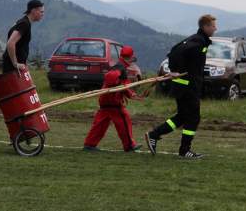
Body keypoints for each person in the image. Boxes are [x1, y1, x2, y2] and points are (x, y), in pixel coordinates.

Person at [145, 14, 217, 159]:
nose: (216, 29)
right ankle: (184, 150)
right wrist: (174, 70)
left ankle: (155, 135)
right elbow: (174, 53)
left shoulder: (199, 40)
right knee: (193, 117)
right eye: (213, 26)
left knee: (183, 116)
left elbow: (177, 52)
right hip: (186, 86)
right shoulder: (198, 41)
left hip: (187, 85)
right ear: (205, 26)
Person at [84, 46, 147, 152]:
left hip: (105, 100)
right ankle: (129, 146)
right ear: (129, 58)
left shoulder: (120, 66)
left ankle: (89, 144)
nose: (133, 60)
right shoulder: (120, 68)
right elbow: (112, 78)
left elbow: (123, 85)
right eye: (132, 58)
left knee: (100, 124)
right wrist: (125, 89)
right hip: (113, 101)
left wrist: (131, 94)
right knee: (124, 121)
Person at [2, 0, 45, 73]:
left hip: (18, 66)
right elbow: (10, 43)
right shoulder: (24, 24)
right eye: (41, 12)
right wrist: (15, 64)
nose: (43, 14)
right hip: (13, 68)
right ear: (33, 11)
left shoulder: (24, 22)